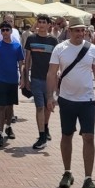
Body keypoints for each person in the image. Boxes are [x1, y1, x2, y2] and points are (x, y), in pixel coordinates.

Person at [46, 23, 95, 188]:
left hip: (87, 100)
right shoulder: (60, 48)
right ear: (69, 31)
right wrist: (50, 97)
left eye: (83, 31)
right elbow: (51, 73)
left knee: (89, 137)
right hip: (66, 100)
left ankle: (88, 178)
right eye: (77, 30)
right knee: (67, 135)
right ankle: (67, 172)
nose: (81, 34)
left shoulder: (92, 49)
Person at [0, 20, 24, 148]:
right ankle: (0, 133)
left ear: (11, 31)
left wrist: (23, 78)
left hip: (13, 80)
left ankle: (9, 127)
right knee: (1, 106)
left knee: (10, 106)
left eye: (7, 30)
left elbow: (21, 64)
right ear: (0, 32)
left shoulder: (17, 46)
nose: (5, 32)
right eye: (3, 30)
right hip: (1, 80)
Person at [23, 14, 58, 150]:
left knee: (48, 107)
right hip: (36, 78)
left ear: (49, 25)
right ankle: (42, 135)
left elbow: (57, 62)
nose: (42, 24)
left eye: (44, 22)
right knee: (39, 107)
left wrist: (56, 79)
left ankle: (45, 126)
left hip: (49, 79)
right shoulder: (31, 39)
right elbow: (27, 60)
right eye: (40, 22)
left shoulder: (54, 41)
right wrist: (26, 78)